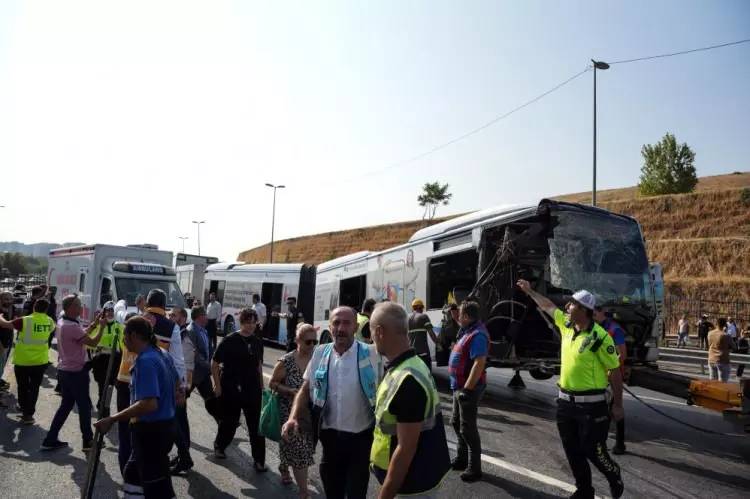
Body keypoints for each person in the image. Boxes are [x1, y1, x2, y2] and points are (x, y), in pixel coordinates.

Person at [517, 279, 624, 499]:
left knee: (593, 450)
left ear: (584, 311)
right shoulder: (566, 325)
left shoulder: (600, 338)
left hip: (592, 406)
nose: (567, 307)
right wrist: (529, 291)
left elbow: (614, 371)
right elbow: (547, 306)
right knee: (572, 450)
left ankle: (613, 472)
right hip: (565, 403)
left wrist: (618, 405)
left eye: (572, 304)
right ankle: (584, 490)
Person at [283, 306, 382, 499]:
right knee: (332, 490)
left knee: (356, 492)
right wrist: (293, 417)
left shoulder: (372, 354)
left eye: (346, 323)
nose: (340, 328)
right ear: (329, 326)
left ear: (355, 327)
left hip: (361, 440)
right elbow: (305, 388)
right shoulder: (320, 353)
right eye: (336, 322)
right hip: (330, 439)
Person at [369, 302, 451, 498]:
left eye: (371, 332)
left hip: (410, 486)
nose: (371, 339)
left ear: (379, 331)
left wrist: (385, 495)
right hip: (418, 474)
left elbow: (405, 449)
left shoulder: (407, 379)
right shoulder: (411, 365)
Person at [94, 316, 181, 499]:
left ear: (133, 335)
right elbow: (177, 387)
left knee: (155, 486)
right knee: (134, 474)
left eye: (125, 335)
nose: (124, 341)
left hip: (152, 432)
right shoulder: (161, 354)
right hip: (164, 427)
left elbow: (149, 403)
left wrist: (112, 419)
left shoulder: (145, 361)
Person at [41, 295, 105, 451]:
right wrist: (102, 327)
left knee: (66, 406)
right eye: (78, 305)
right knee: (84, 407)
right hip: (76, 372)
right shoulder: (72, 326)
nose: (81, 307)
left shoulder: (63, 322)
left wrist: (94, 324)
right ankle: (88, 441)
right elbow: (92, 342)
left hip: (65, 370)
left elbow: (81, 336)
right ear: (69, 308)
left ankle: (50, 439)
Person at [212, 307, 267, 470]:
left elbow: (259, 366)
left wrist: (262, 387)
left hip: (252, 389)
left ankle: (259, 461)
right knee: (230, 422)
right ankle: (220, 445)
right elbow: (214, 364)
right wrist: (217, 385)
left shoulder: (257, 342)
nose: (250, 326)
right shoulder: (229, 340)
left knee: (256, 426)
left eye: (253, 322)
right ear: (241, 322)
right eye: (247, 322)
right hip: (231, 387)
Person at [270, 323, 317, 498]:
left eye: (315, 341)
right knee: (298, 447)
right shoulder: (286, 361)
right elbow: (272, 383)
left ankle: (284, 465)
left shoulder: (318, 358)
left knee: (299, 446)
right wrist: (290, 391)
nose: (311, 345)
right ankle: (304, 492)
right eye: (307, 341)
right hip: (290, 411)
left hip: (312, 412)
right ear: (297, 340)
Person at [447, 300, 489, 482]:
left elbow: (479, 363)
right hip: (458, 386)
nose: (458, 318)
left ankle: (474, 467)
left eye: (461, 315)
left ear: (467, 317)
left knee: (468, 428)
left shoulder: (478, 334)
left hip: (468, 388)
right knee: (456, 422)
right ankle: (462, 458)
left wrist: (467, 389)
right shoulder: (468, 330)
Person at [0, 298, 56, 425]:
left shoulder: (25, 320)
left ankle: (26, 413)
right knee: (34, 388)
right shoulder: (50, 321)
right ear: (46, 309)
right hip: (40, 361)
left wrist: (0, 317)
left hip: (23, 361)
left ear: (35, 306)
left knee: (23, 387)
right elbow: (51, 330)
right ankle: (29, 413)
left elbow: (5, 324)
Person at [594, 306, 627, 455]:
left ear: (602, 312)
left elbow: (622, 354)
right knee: (603, 409)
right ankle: (602, 442)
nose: (592, 314)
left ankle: (619, 443)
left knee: (614, 409)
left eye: (595, 312)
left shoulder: (615, 329)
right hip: (599, 375)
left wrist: (609, 369)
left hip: (612, 375)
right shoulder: (594, 326)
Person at [169, 306, 194, 474]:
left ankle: (184, 457)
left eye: (174, 315)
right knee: (179, 421)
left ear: (183, 318)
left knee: (177, 422)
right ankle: (182, 455)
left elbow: (187, 363)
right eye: (170, 314)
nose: (171, 317)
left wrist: (186, 386)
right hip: (179, 384)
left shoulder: (184, 335)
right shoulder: (176, 331)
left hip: (180, 385)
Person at [184, 306, 220, 422]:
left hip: (202, 374)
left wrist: (215, 362)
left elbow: (209, 350)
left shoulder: (203, 330)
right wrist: (209, 366)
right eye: (205, 314)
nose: (207, 317)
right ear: (200, 317)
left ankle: (223, 423)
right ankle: (172, 423)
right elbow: (195, 354)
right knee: (180, 399)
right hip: (192, 373)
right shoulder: (191, 331)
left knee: (210, 399)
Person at [89, 301, 124, 411]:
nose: (110, 313)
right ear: (103, 312)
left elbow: (123, 344)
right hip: (100, 359)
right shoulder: (98, 325)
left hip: (114, 359)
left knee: (109, 385)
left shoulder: (119, 326)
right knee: (101, 384)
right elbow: (88, 340)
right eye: (107, 310)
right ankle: (101, 402)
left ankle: (105, 407)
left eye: (112, 310)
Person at [408, 299, 439, 373]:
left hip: (411, 353)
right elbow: (431, 333)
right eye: (422, 307)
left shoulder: (407, 318)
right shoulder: (423, 317)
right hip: (423, 352)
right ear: (420, 307)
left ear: (413, 308)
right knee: (427, 374)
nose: (422, 309)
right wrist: (438, 344)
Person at [0, 291, 16, 394]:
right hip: (1, 343)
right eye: (6, 299)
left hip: (8, 341)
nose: (9, 301)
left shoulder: (12, 309)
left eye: (10, 299)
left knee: (3, 364)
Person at [708, 318, 732, 382]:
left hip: (711, 359)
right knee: (722, 384)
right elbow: (734, 347)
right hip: (722, 360)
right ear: (725, 325)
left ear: (716, 324)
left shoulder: (710, 333)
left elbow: (709, 344)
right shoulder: (726, 335)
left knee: (713, 383)